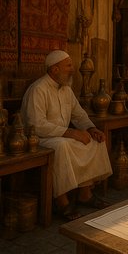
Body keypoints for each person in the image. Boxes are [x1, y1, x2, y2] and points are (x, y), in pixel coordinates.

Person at [21, 50, 112, 221]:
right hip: (39, 139)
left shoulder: (66, 90)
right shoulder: (38, 89)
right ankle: (61, 202)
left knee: (94, 142)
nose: (72, 69)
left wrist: (92, 129)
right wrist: (71, 133)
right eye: (68, 66)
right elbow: (36, 125)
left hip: (61, 136)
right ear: (55, 69)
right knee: (62, 146)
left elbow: (79, 114)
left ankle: (85, 193)